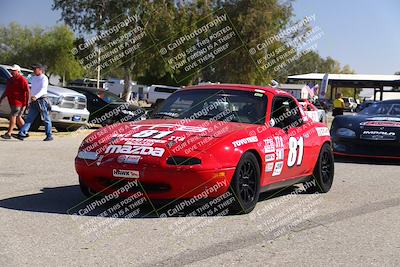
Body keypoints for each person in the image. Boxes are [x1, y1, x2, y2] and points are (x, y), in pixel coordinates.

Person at [13, 64, 53, 141]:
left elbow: (43, 89)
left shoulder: (44, 78)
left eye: (36, 69)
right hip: (34, 101)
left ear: (41, 70)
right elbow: (32, 89)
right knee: (29, 118)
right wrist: (29, 100)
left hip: (42, 100)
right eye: (33, 69)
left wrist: (36, 96)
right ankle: (22, 133)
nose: (34, 70)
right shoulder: (34, 78)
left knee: (46, 118)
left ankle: (49, 135)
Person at [0, 64, 30, 139]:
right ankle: (24, 132)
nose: (12, 72)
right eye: (12, 71)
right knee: (18, 117)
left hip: (20, 102)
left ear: (18, 71)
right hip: (12, 101)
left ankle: (9, 133)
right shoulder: (10, 80)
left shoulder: (22, 79)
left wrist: (27, 102)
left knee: (13, 115)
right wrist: (1, 98)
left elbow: (27, 91)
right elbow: (7, 90)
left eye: (14, 71)